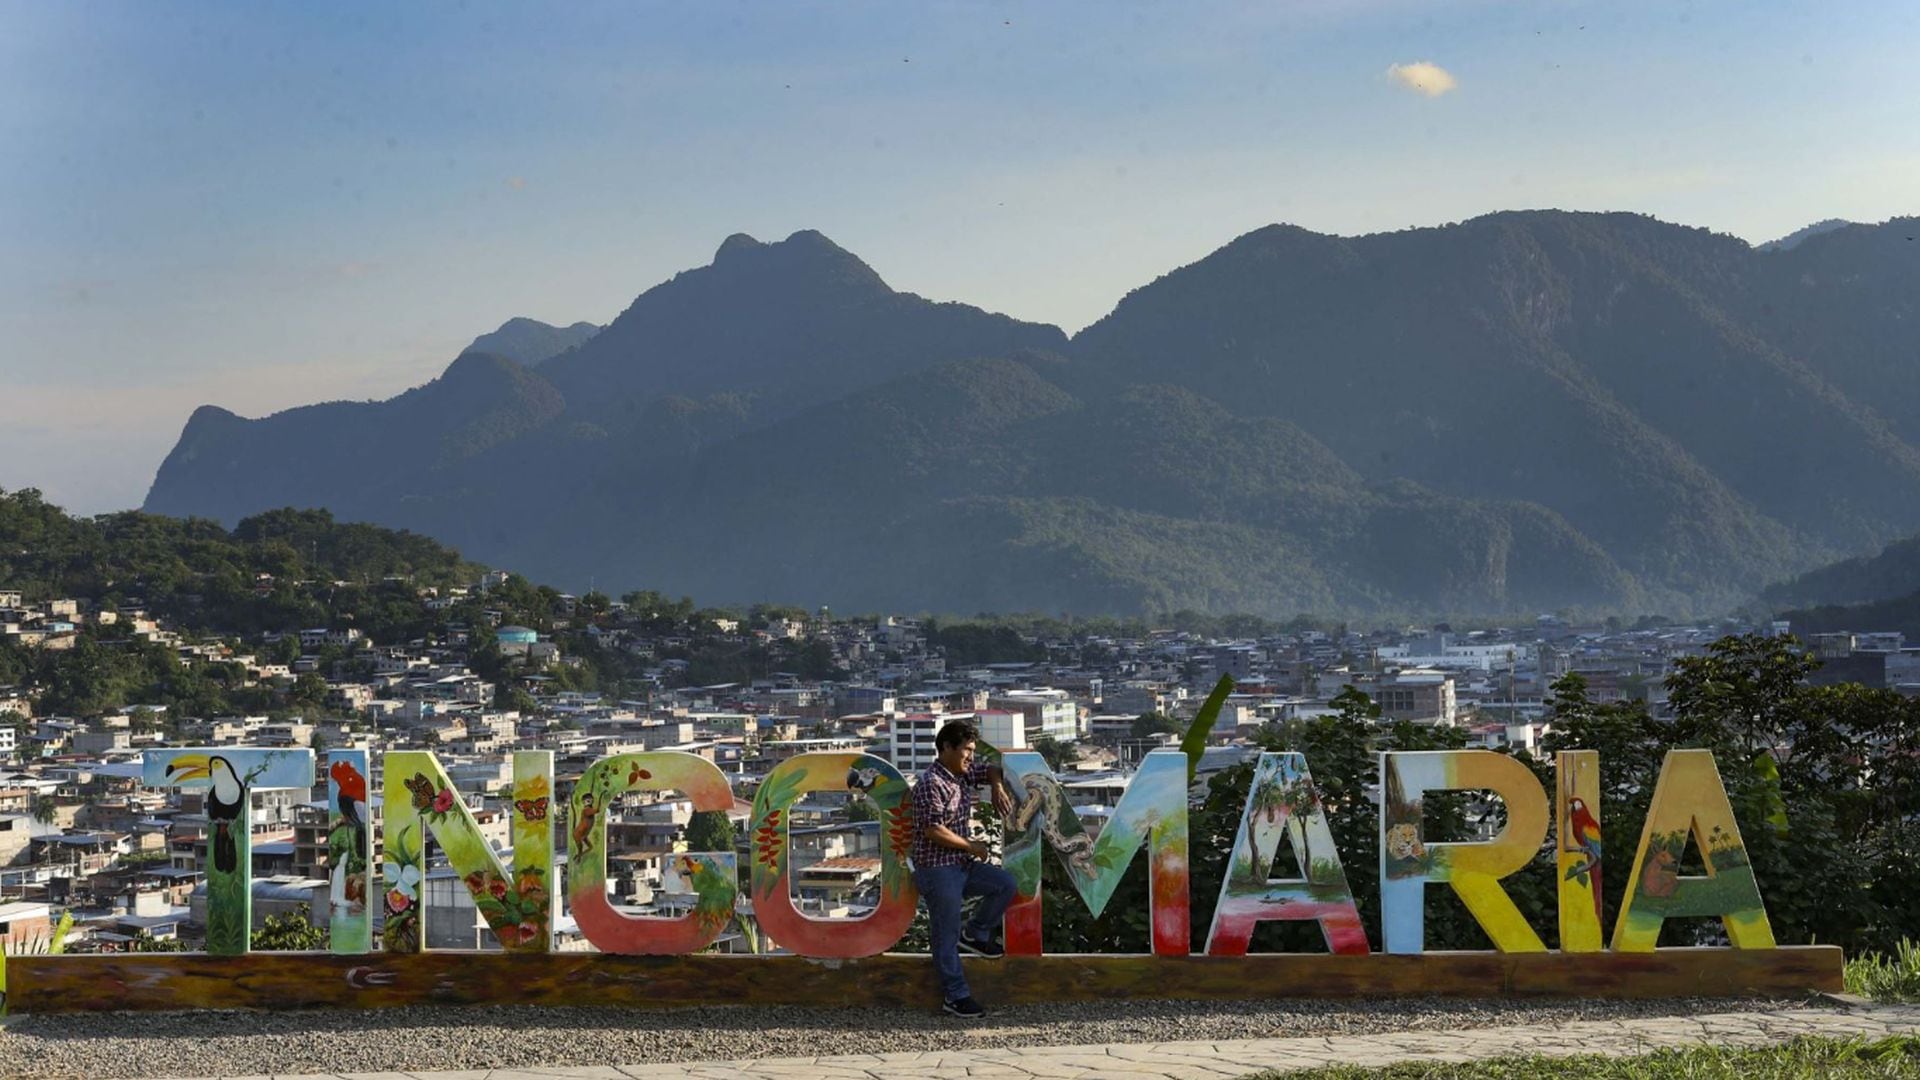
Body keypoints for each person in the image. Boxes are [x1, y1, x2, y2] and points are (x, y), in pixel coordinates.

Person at [911, 718, 1018, 1018]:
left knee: (1004, 884)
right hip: (937, 869)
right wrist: (971, 846)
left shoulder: (961, 774)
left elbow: (992, 769)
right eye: (966, 750)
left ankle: (975, 934)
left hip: (960, 865)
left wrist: (996, 787)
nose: (970, 756)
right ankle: (955, 996)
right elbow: (933, 830)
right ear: (946, 747)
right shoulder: (930, 784)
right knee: (945, 935)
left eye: (972, 750)